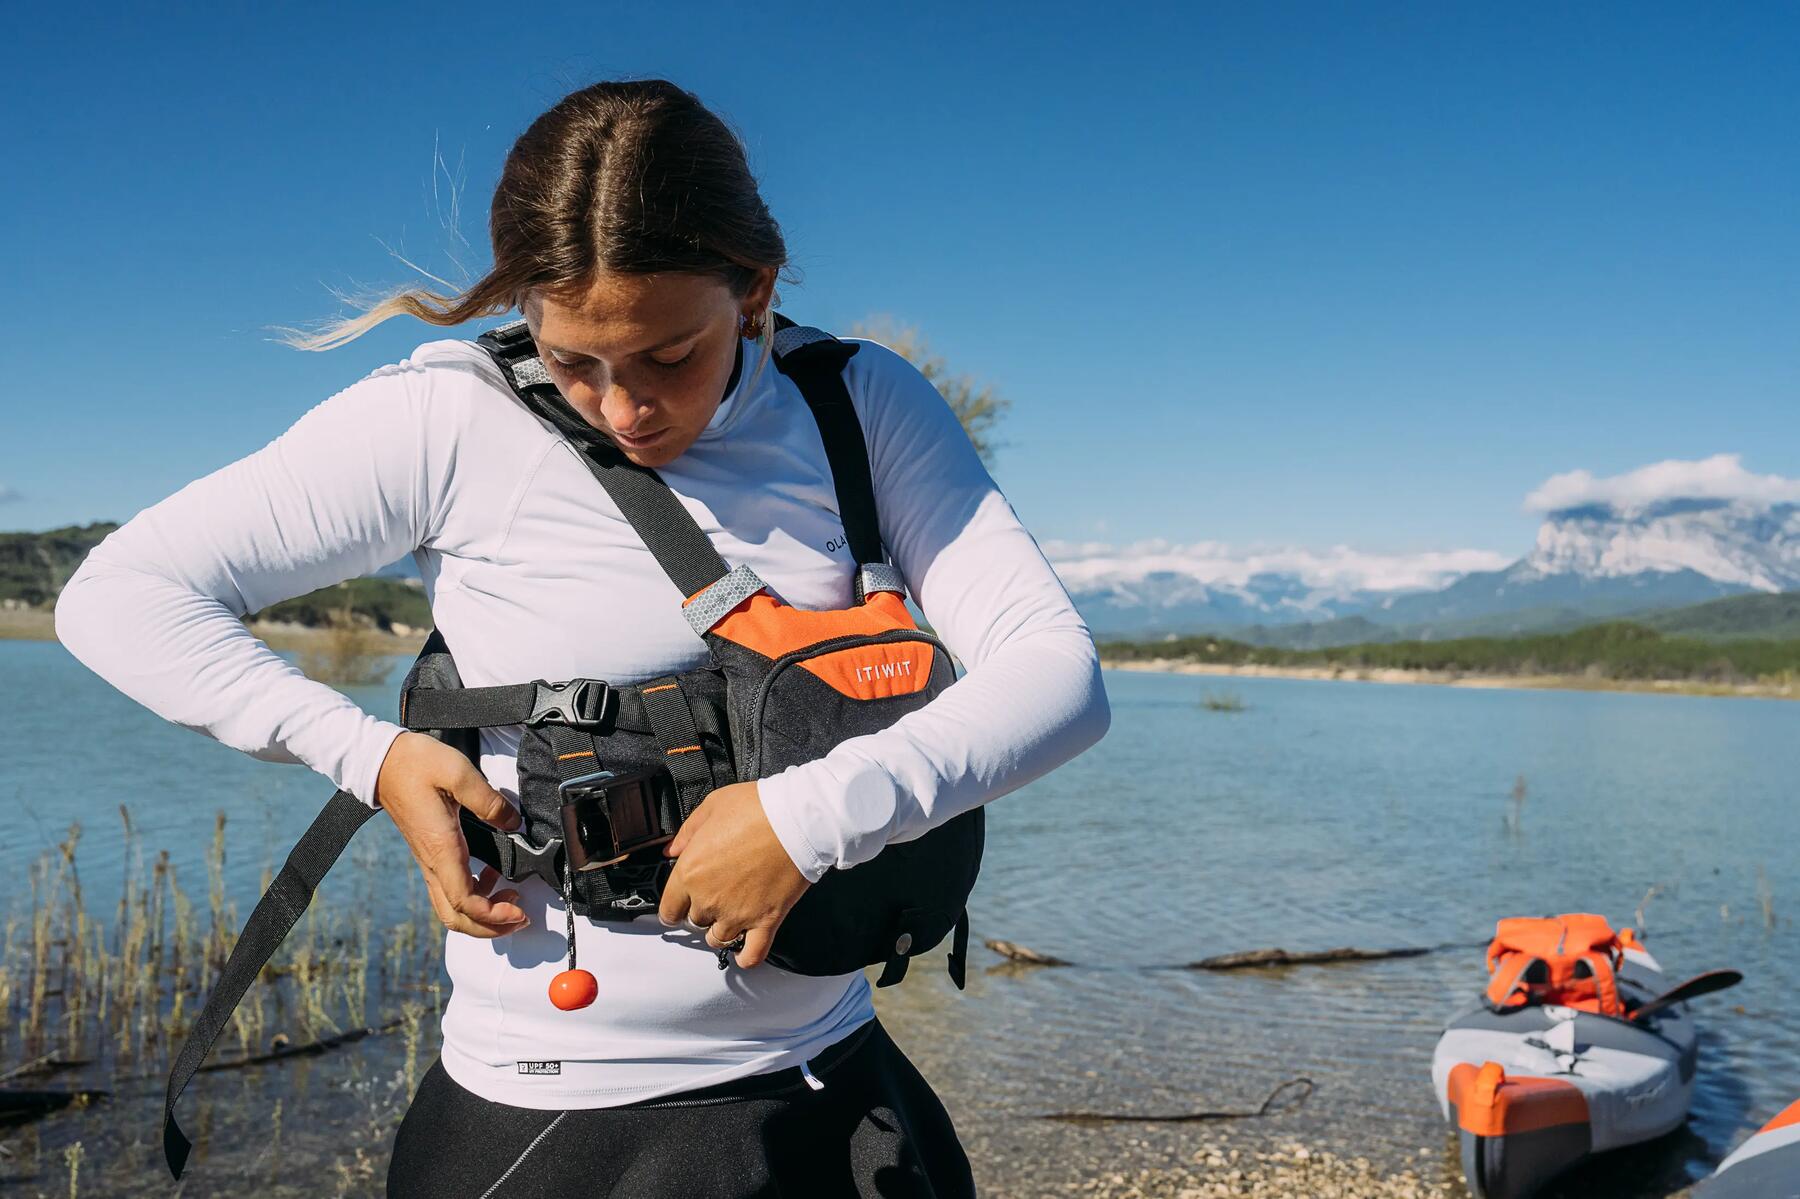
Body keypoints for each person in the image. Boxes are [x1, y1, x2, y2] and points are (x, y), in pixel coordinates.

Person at [55, 79, 1109, 1197]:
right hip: (557, 1115)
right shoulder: (446, 418)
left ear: (755, 286)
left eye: (668, 355)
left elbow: (1058, 676)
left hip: (838, 1088)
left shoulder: (857, 404)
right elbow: (123, 594)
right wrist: (366, 754)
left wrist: (806, 817)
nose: (621, 408)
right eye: (571, 360)